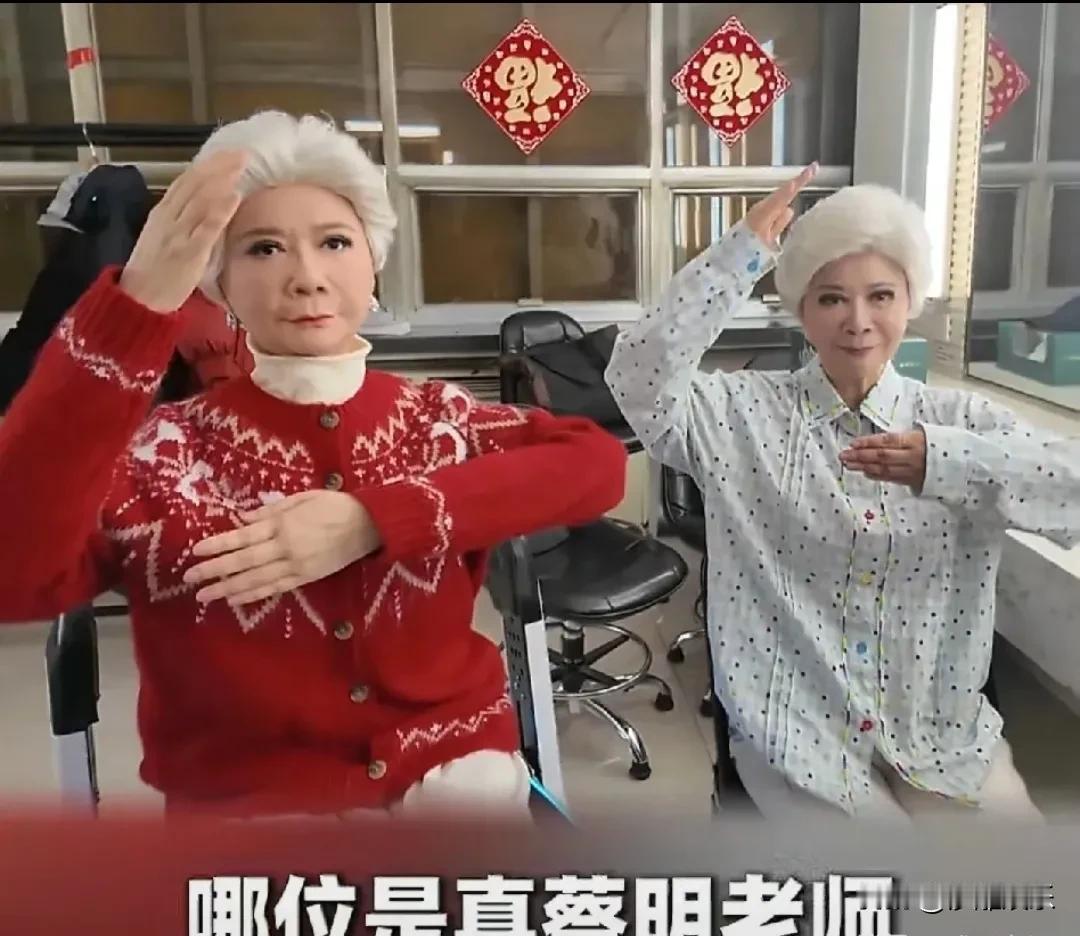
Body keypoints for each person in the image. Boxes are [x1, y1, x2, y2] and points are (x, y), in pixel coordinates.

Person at [0, 110, 628, 820]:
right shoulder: (163, 453)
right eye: (264, 249)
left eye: (334, 242)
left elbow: (595, 464)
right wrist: (131, 315)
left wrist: (375, 520)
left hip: (457, 788)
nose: (306, 277)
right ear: (220, 284)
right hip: (253, 823)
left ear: (372, 262)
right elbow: (14, 575)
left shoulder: (436, 418)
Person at [606, 165, 1080, 823]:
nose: (858, 321)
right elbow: (636, 377)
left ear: (910, 302)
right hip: (797, 734)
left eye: (880, 295)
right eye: (831, 299)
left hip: (939, 737)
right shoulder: (740, 414)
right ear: (802, 310)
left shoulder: (961, 422)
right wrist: (739, 254)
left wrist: (948, 464)